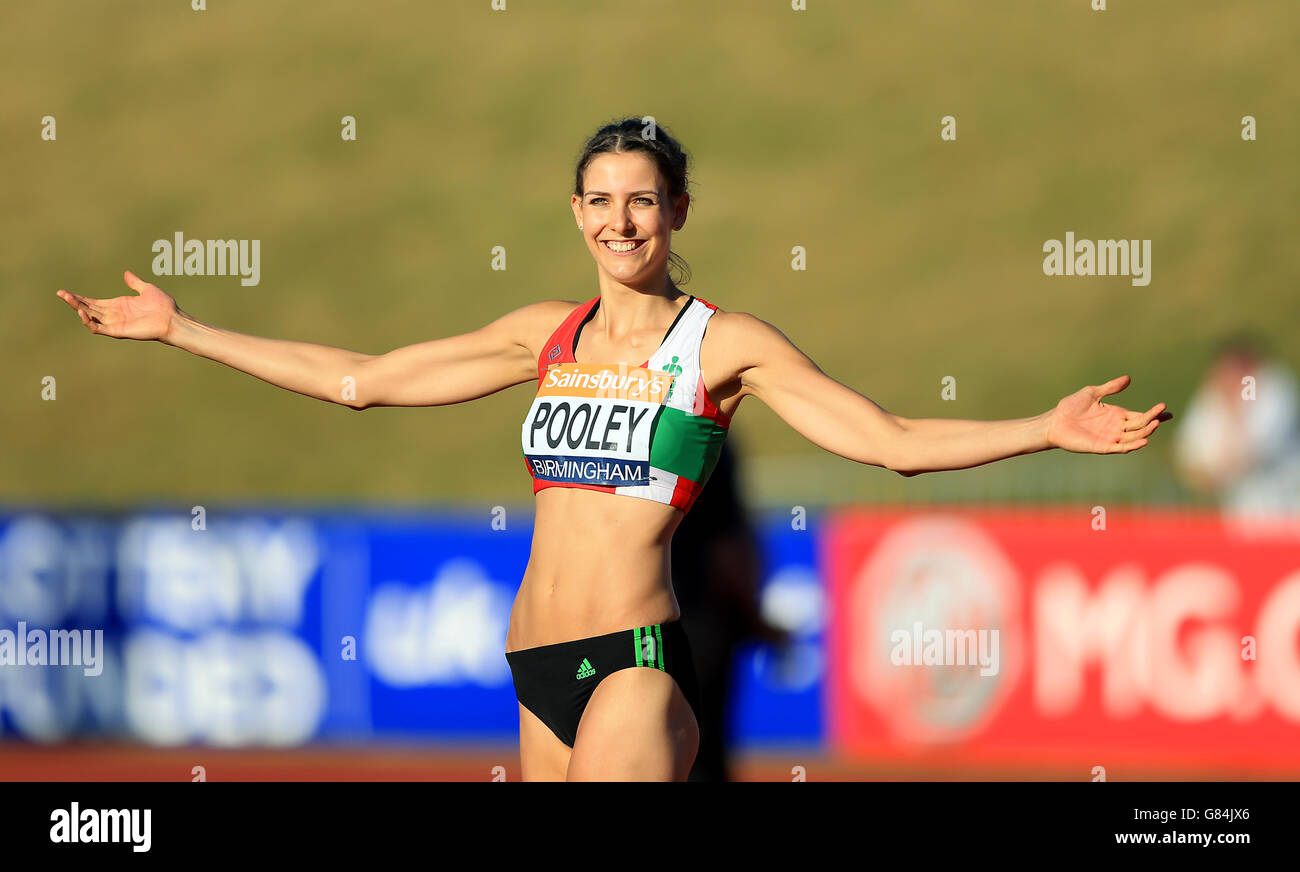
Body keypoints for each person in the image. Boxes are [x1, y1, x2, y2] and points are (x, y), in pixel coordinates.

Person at [55, 117, 1171, 781]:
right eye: (599, 200)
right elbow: (362, 381)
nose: (620, 221)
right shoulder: (541, 333)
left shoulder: (719, 343)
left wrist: (1041, 424)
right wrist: (184, 328)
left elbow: (889, 442)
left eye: (643, 201)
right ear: (575, 211)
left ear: (677, 210)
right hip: (533, 671)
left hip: (633, 668)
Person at [670, 437, 788, 782]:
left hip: (643, 619)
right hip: (702, 616)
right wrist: (753, 615)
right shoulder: (709, 439)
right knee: (700, 749)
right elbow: (726, 542)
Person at [1174, 334, 1300, 525]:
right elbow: (1189, 456)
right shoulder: (1213, 396)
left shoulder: (1275, 387)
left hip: (1286, 512)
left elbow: (1256, 450)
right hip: (1241, 515)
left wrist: (1234, 410)